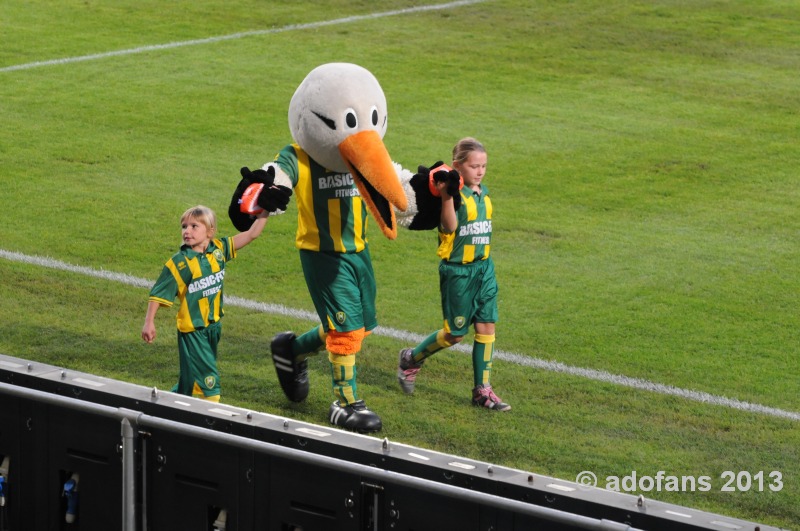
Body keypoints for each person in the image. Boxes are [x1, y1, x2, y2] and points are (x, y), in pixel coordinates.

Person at [397, 137, 510, 411]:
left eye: (483, 165)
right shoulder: (451, 196)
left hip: (484, 268)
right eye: (474, 166)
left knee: (486, 327)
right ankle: (412, 358)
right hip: (458, 272)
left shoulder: (484, 192)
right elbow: (448, 227)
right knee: (454, 334)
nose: (480, 171)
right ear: (458, 167)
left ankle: (482, 391)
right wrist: (447, 195)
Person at [142, 205, 269, 402]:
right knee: (210, 388)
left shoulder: (219, 249)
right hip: (193, 331)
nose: (187, 231)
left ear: (210, 232)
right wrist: (149, 322)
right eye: (184, 226)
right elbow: (158, 293)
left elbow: (252, 234)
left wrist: (265, 211)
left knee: (190, 382)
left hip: (213, 328)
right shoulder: (179, 262)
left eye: (194, 226)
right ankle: (203, 426)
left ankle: (164, 406)